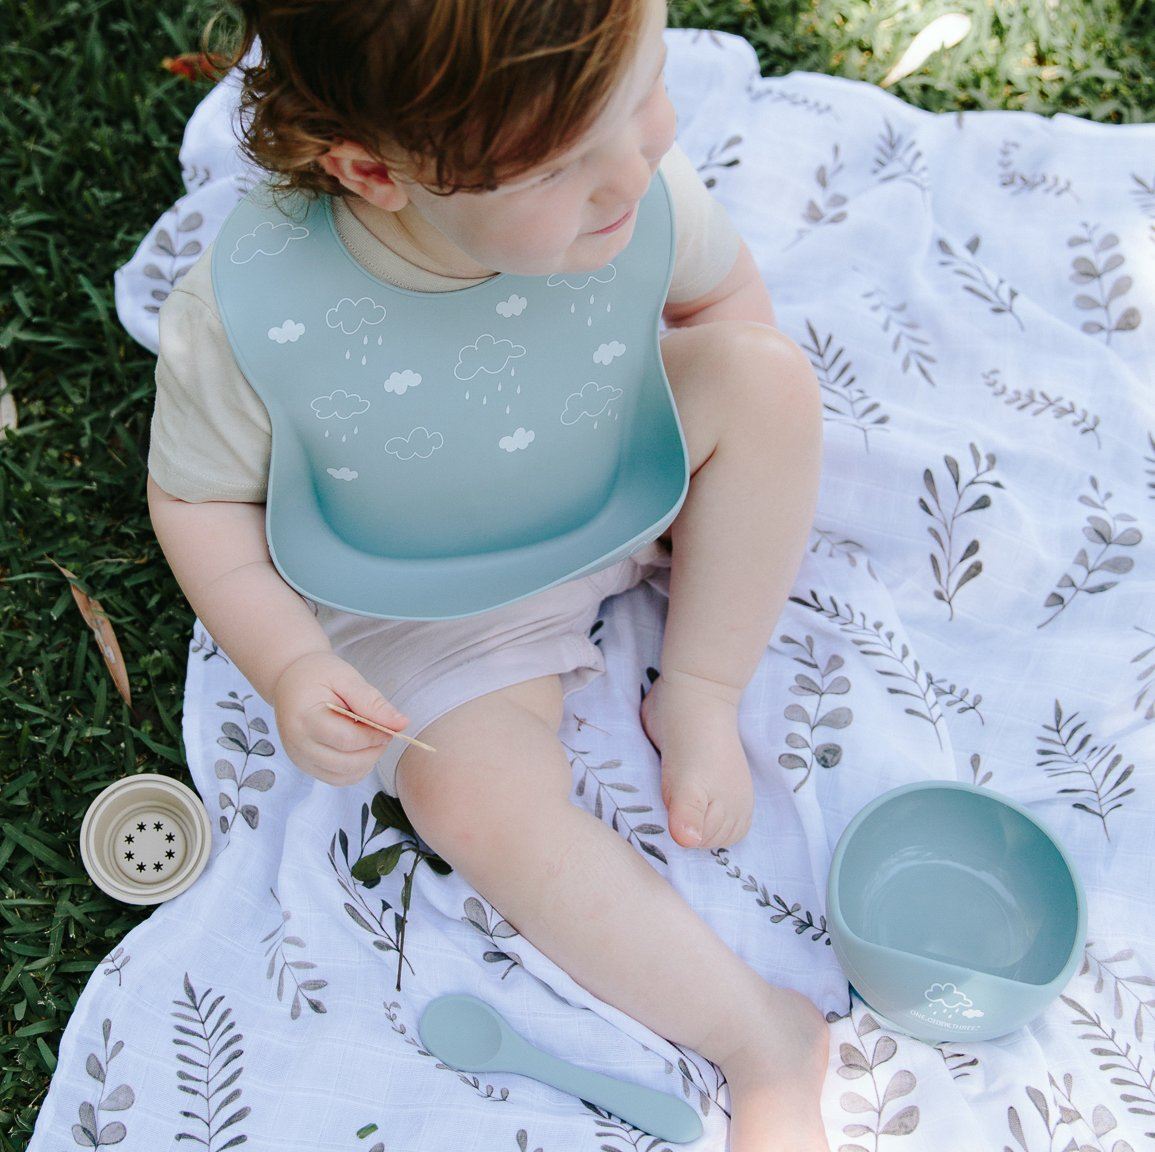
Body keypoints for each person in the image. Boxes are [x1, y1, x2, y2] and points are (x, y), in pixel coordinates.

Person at [146, 0, 827, 1146]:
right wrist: (291, 660)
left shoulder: (632, 178)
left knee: (767, 383)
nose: (639, 164)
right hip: (427, 582)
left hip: (613, 467)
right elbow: (199, 500)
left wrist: (710, 486)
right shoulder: (252, 316)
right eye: (564, 165)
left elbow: (713, 300)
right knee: (464, 794)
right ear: (375, 173)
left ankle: (697, 687)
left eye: (645, 92)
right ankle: (760, 1035)